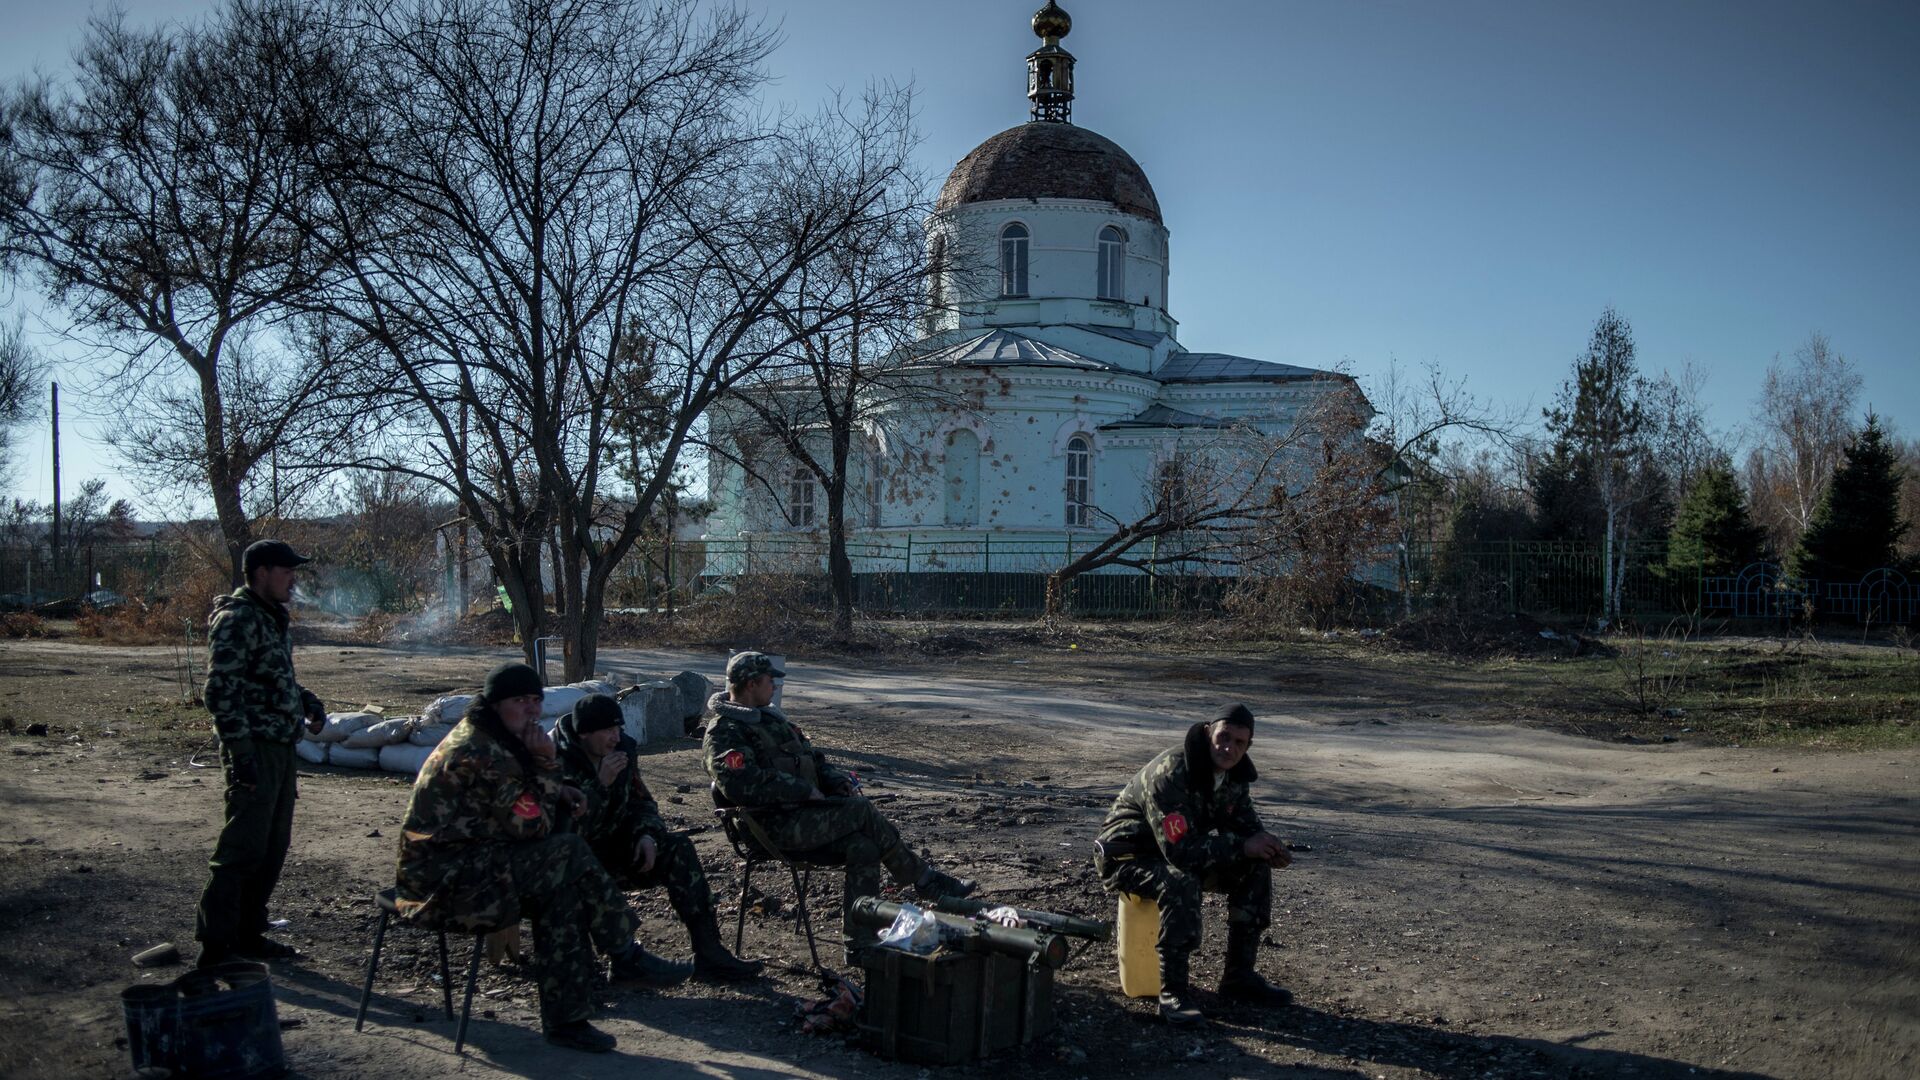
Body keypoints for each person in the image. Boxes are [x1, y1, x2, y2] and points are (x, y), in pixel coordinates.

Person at [395, 663, 691, 1053]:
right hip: (443, 884)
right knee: (565, 853)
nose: (533, 710)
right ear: (495, 704)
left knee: (560, 890)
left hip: (477, 865)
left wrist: (560, 788)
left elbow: (526, 806)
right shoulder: (481, 751)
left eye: (536, 700)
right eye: (521, 701)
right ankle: (625, 954)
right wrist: (549, 765)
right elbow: (532, 827)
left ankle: (568, 1020)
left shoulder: (499, 738)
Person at [703, 651, 975, 959]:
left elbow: (814, 760)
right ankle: (924, 880)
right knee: (860, 811)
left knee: (864, 847)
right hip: (770, 826)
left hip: (803, 818)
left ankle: (860, 941)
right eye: (770, 681)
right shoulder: (726, 731)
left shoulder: (773, 720)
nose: (775, 688)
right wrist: (802, 790)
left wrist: (835, 781)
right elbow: (740, 784)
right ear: (752, 684)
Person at [1094, 703, 1294, 1025]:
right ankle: (1172, 992)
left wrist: (1270, 848)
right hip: (1127, 857)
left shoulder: (1232, 776)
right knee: (1180, 879)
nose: (1229, 747)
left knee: (1255, 868)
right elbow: (1181, 852)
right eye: (1223, 737)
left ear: (1248, 746)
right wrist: (1244, 846)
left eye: (1239, 742)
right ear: (1207, 732)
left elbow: (1246, 828)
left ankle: (1238, 978)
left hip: (1174, 853)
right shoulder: (1172, 771)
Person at [554, 693, 763, 981]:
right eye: (607, 731)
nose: (615, 737)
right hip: (578, 866)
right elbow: (565, 832)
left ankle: (709, 953)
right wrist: (598, 785)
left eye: (619, 729)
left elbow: (642, 804)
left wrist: (647, 836)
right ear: (584, 733)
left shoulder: (623, 752)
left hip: (617, 852)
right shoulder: (557, 762)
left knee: (677, 847)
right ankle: (619, 960)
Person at [195, 539, 327, 968]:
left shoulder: (271, 619)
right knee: (242, 849)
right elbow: (219, 693)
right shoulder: (238, 620)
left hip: (279, 748)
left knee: (272, 847)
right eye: (286, 571)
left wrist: (306, 700)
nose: (293, 579)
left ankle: (248, 934)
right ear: (262, 572)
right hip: (253, 749)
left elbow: (272, 677)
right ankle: (216, 946)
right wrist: (241, 754)